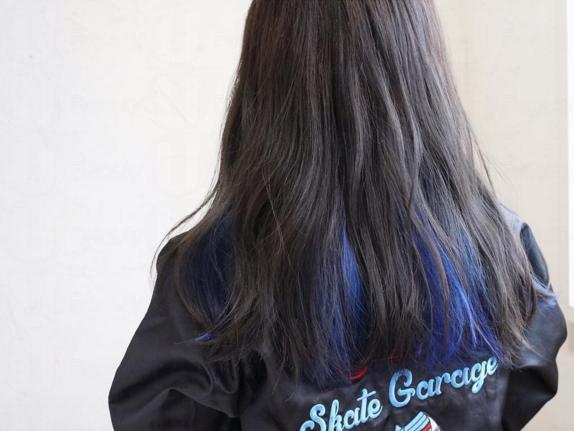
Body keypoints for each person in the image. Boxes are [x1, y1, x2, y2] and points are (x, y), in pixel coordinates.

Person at [108, 1, 567, 430]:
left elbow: (162, 415)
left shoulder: (210, 278)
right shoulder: (504, 247)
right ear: (422, 66)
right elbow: (524, 389)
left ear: (266, 78)